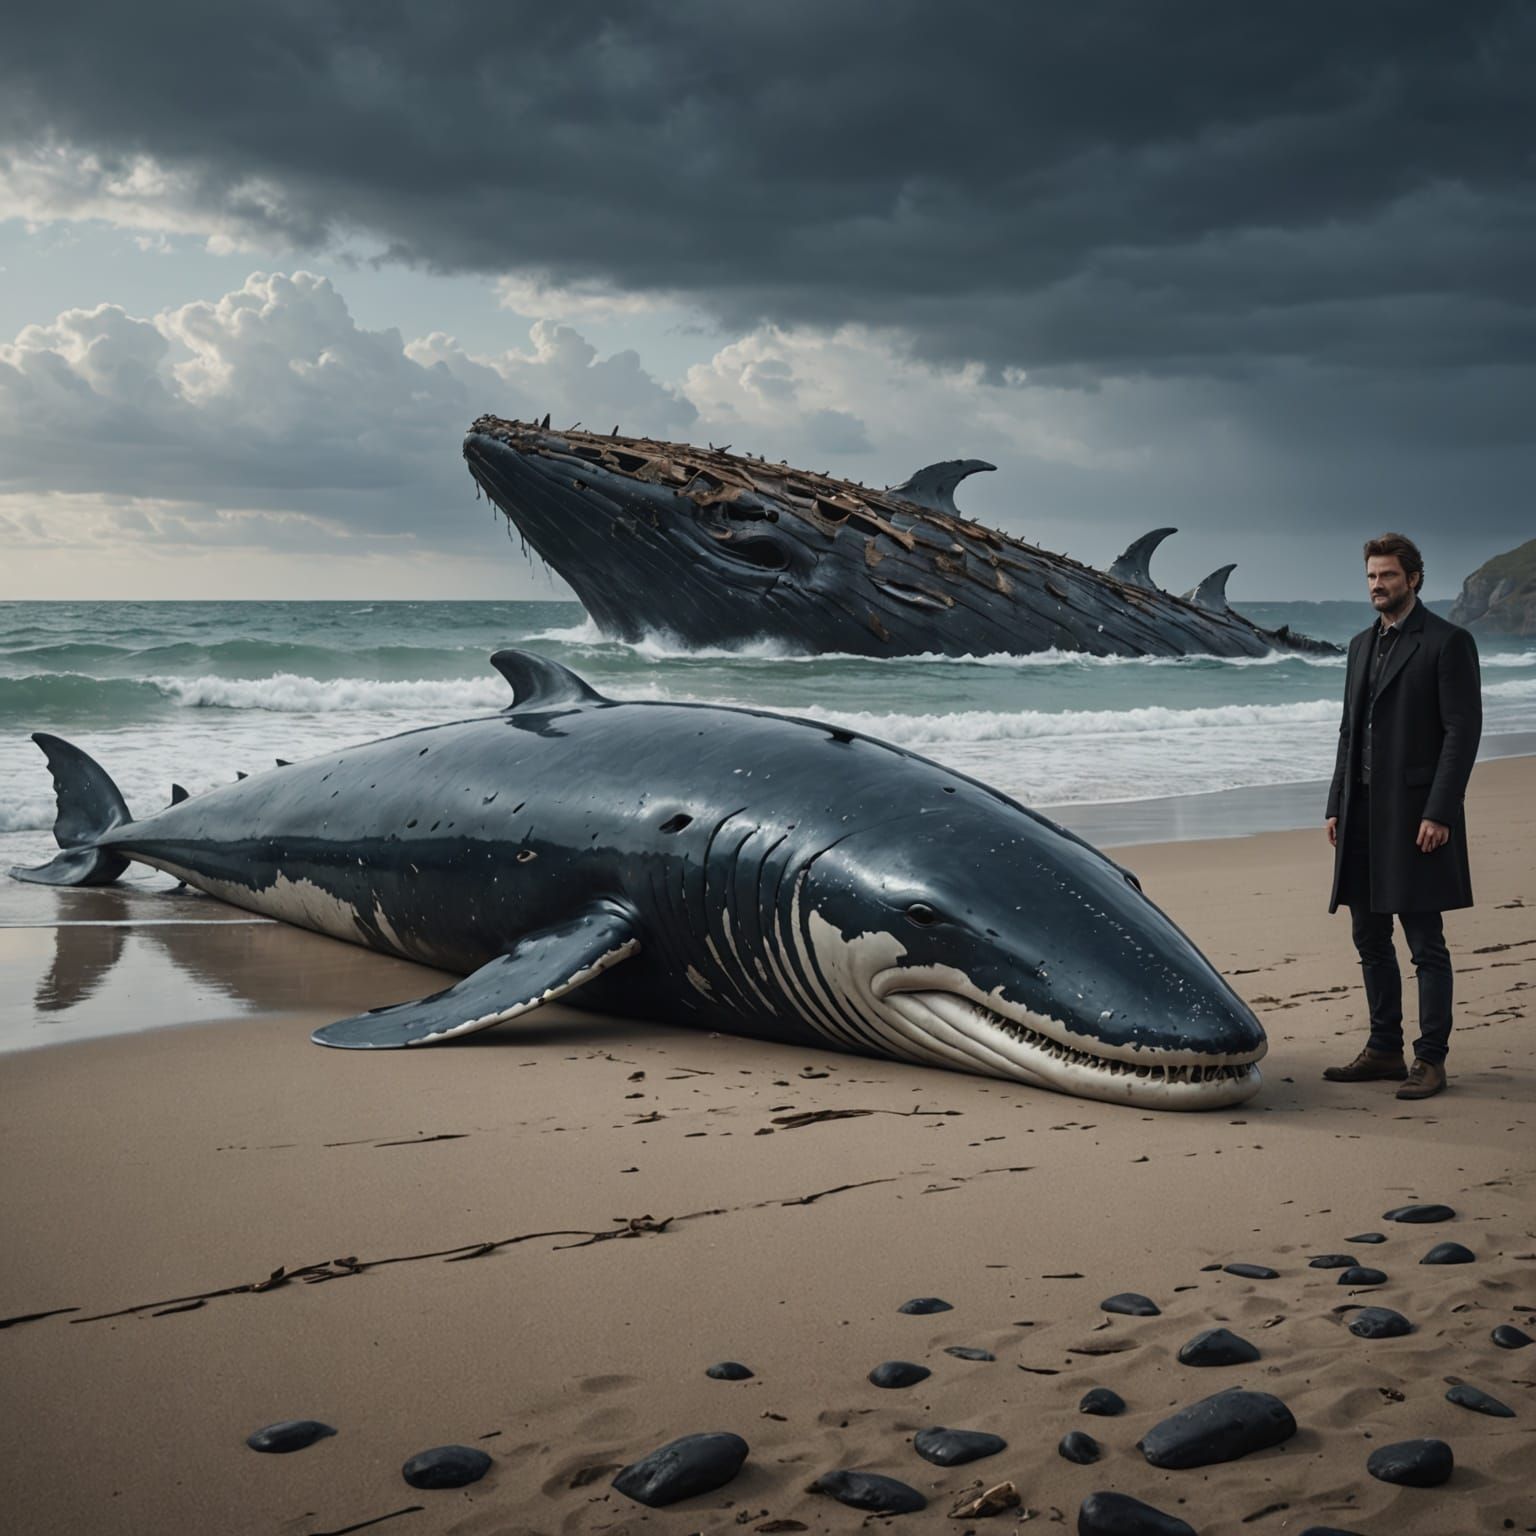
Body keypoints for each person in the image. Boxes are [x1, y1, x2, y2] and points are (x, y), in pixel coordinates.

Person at [1323, 533, 1481, 1100]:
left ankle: (1430, 1059)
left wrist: (1441, 811)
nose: (1377, 585)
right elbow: (1349, 731)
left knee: (1425, 942)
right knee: (1369, 935)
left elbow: (1462, 733)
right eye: (1371, 576)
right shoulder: (1360, 645)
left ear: (1413, 578)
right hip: (1361, 813)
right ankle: (1384, 1048)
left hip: (1416, 816)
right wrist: (1336, 802)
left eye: (1388, 575)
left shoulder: (1447, 642)